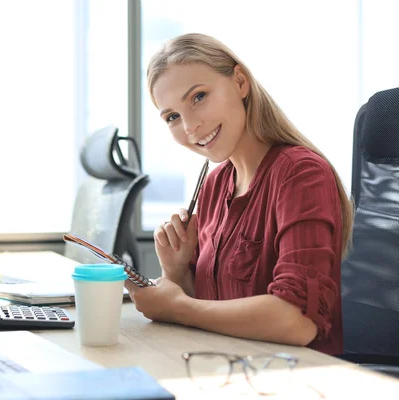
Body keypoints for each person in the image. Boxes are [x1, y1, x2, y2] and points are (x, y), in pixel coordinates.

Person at [125, 33, 353, 355]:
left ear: (240, 82)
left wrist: (177, 307)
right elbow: (216, 309)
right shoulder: (215, 185)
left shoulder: (301, 174)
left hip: (295, 378)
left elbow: (298, 320)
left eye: (199, 97)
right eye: (172, 117)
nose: (190, 126)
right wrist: (178, 272)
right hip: (227, 367)